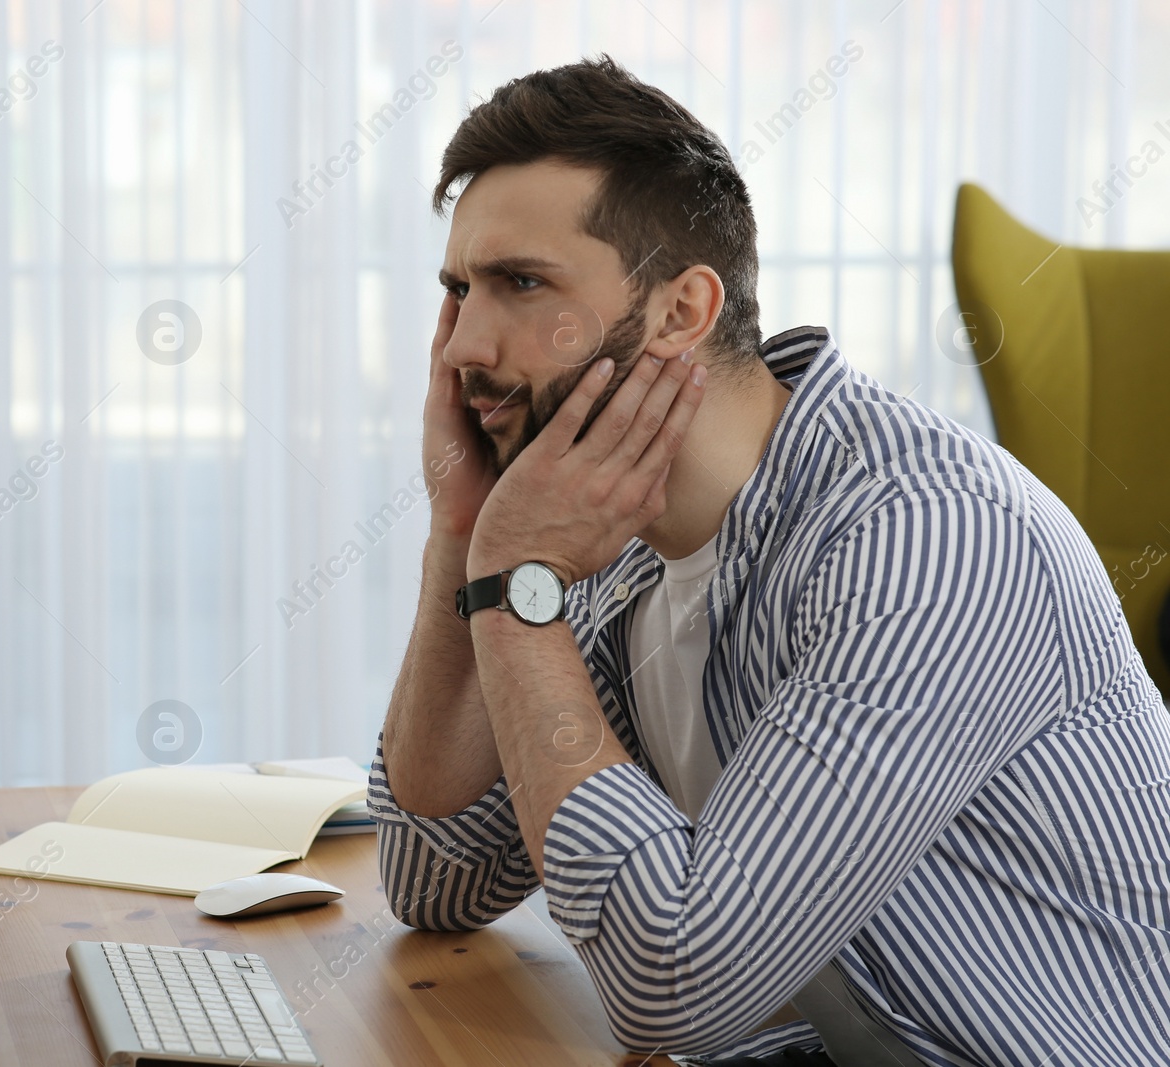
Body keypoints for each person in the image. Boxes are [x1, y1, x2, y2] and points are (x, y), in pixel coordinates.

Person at [368, 56, 1170, 1066]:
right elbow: (437, 877)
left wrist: (518, 592)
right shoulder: (618, 538)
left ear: (679, 313)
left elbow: (680, 988)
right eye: (457, 290)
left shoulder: (923, 538)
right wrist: (464, 532)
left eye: (521, 284)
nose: (462, 348)